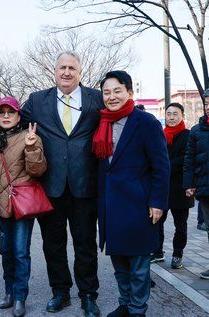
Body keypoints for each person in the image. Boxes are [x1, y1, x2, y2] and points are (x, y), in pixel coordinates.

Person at [0, 51, 103, 316]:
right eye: (62, 67)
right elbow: (10, 118)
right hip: (51, 186)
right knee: (53, 244)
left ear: (80, 72)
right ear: (54, 70)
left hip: (85, 185)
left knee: (85, 244)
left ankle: (87, 294)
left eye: (72, 67)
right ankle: (60, 292)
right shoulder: (38, 101)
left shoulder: (96, 98)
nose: (67, 72)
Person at [94, 70, 170, 317]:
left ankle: (138, 309)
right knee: (119, 262)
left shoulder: (145, 122)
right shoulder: (101, 122)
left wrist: (158, 201)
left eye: (117, 91)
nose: (112, 96)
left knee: (138, 264)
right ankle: (125, 304)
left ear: (129, 92)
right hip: (111, 205)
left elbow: (161, 166)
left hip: (138, 203)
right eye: (107, 92)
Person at [0, 96, 47, 317]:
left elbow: (38, 171)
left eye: (10, 112)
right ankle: (9, 292)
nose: (5, 116)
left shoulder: (29, 137)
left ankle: (20, 296)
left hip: (21, 203)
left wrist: (31, 148)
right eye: (1, 112)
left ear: (18, 115)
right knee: (6, 251)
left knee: (21, 252)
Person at [151, 103, 194, 269]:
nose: (171, 117)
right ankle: (158, 251)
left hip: (182, 188)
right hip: (163, 188)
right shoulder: (160, 135)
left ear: (182, 115)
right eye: (168, 114)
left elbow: (187, 159)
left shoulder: (188, 135)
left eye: (175, 114)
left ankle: (177, 255)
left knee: (180, 225)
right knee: (157, 222)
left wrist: (164, 165)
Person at [183, 88, 209, 280]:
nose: (208, 107)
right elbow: (189, 159)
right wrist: (189, 183)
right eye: (206, 103)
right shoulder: (196, 130)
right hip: (205, 187)